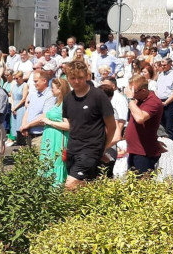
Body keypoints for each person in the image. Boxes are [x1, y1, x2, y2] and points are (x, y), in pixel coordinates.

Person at [62, 60, 116, 189]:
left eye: (80, 77)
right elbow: (71, 125)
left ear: (87, 76)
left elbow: (112, 126)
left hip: (91, 148)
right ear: (67, 78)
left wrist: (103, 148)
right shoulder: (68, 98)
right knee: (86, 188)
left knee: (70, 186)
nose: (76, 81)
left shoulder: (98, 96)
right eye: (72, 78)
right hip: (73, 149)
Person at [124, 72, 165, 175]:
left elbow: (140, 118)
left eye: (134, 91)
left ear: (143, 91)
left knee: (142, 184)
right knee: (132, 185)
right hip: (134, 150)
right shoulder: (139, 100)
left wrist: (130, 99)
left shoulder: (154, 102)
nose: (132, 94)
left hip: (144, 152)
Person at [38, 76, 70, 185]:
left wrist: (50, 122)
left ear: (60, 89)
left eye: (53, 88)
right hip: (50, 138)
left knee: (56, 162)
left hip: (58, 139)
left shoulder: (65, 104)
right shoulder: (56, 102)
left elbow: (68, 125)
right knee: (47, 161)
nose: (51, 90)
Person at [154, 58, 173, 141]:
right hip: (160, 101)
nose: (163, 67)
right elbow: (157, 88)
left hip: (169, 102)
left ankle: (172, 146)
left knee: (169, 126)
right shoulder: (161, 74)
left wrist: (166, 103)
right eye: (161, 65)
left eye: (165, 65)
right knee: (161, 127)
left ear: (170, 64)